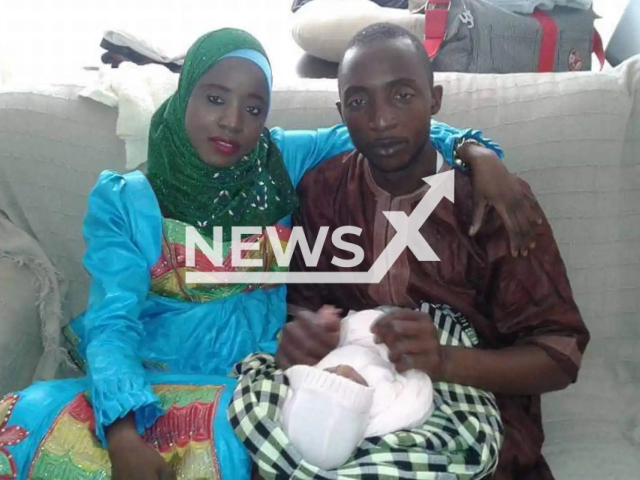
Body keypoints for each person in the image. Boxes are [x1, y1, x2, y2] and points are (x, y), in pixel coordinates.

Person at [1, 28, 538, 480]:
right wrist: (120, 433)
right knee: (24, 430)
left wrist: (474, 151)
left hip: (255, 385)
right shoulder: (125, 200)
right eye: (215, 98)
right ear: (184, 93)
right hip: (143, 383)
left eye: (253, 108)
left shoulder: (277, 160)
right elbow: (113, 322)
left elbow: (383, 131)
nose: (234, 121)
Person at [276, 24, 589, 480]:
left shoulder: (490, 204)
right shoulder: (322, 191)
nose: (381, 119)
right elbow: (301, 306)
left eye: (402, 95)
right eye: (360, 102)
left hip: (479, 415)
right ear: (341, 112)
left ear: (435, 100)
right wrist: (305, 335)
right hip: (353, 404)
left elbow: (560, 355)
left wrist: (445, 361)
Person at [281, 306, 436, 471]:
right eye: (348, 383)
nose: (343, 369)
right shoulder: (382, 405)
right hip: (389, 345)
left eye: (331, 374)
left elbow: (329, 345)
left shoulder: (318, 372)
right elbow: (417, 386)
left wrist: (334, 332)